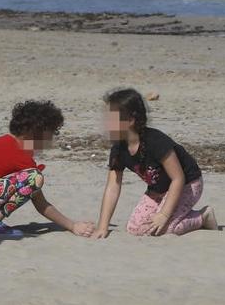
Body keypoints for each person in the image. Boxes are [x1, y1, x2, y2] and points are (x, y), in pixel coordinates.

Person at [0, 100, 94, 237]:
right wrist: (72, 225)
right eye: (50, 133)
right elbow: (40, 203)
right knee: (34, 177)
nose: (51, 139)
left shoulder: (5, 143)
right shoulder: (18, 153)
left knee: (30, 178)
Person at [91, 88, 218, 238]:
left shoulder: (156, 142)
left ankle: (202, 217)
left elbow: (178, 178)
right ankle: (177, 213)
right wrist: (103, 226)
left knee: (164, 229)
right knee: (134, 228)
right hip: (158, 189)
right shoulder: (118, 149)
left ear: (130, 120)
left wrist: (164, 214)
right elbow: (113, 186)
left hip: (187, 184)